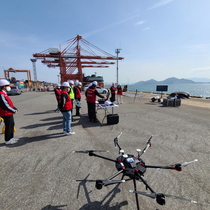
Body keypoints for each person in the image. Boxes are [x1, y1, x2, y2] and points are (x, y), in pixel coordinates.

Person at [0, 79, 19, 144]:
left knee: (11, 125)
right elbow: (4, 105)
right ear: (3, 86)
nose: (9, 87)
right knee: (8, 126)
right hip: (5, 113)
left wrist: (14, 108)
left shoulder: (4, 93)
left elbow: (9, 103)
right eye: (7, 85)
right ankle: (8, 140)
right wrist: (13, 110)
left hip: (8, 112)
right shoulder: (1, 94)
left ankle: (11, 138)